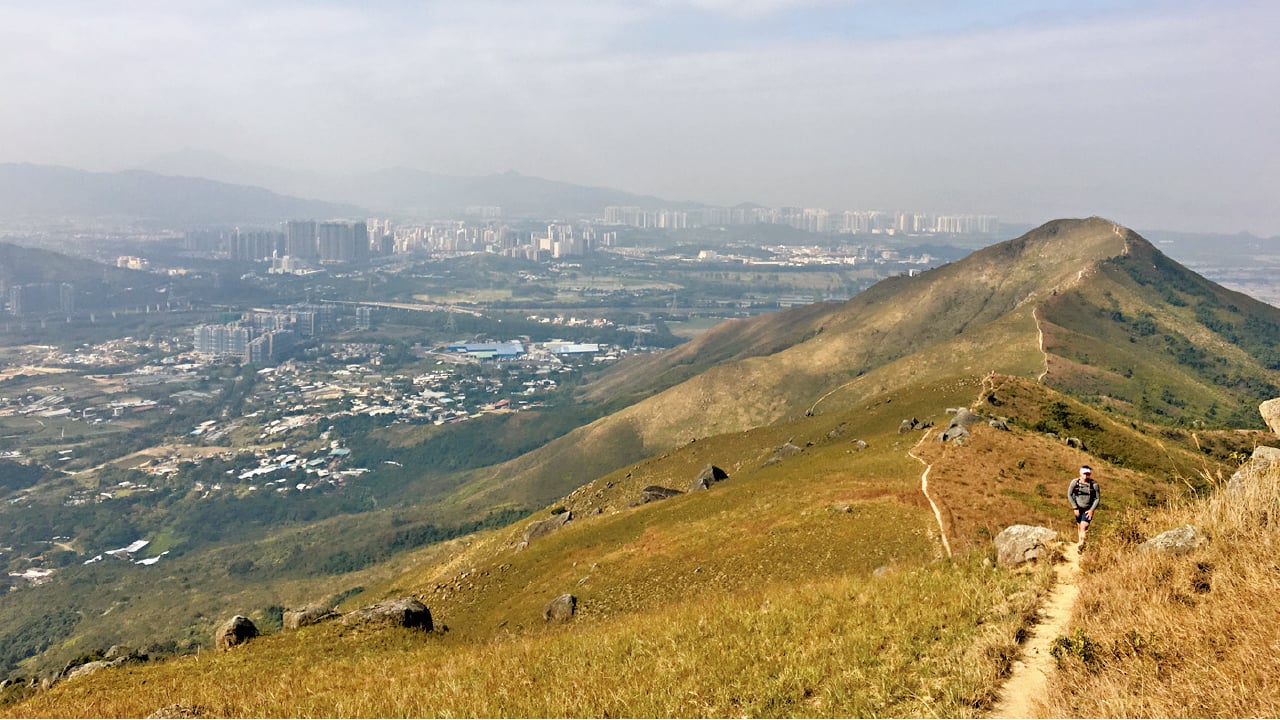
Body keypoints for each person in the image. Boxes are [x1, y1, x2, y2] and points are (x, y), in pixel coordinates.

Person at [1068, 465, 1100, 552]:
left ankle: (1082, 545)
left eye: (1088, 474)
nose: (1086, 476)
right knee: (1079, 526)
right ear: (1080, 473)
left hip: (1088, 509)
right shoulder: (1075, 482)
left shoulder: (1094, 485)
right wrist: (1075, 507)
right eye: (1084, 474)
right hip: (1078, 508)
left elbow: (1097, 498)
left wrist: (1092, 510)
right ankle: (1080, 543)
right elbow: (1069, 495)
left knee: (1083, 527)